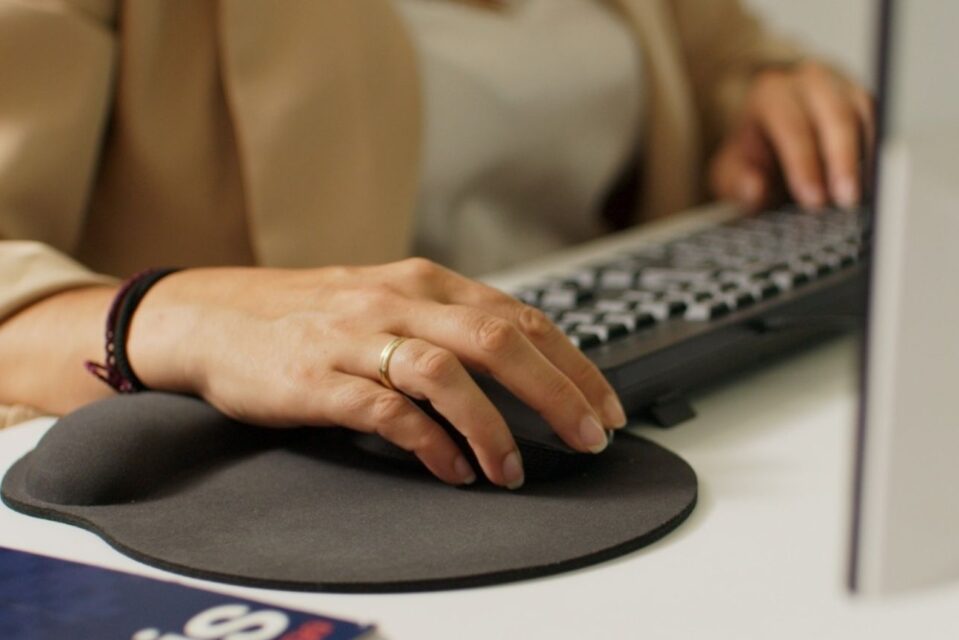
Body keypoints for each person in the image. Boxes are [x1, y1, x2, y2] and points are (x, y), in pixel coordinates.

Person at [0, 0, 873, 489]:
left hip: (662, 413)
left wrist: (768, 93)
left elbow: (724, 55)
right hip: (348, 486)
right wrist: (192, 317)